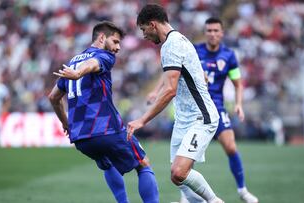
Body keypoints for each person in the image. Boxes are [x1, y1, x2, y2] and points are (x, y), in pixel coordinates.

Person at [49, 21, 159, 203]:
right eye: (115, 42)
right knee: (143, 163)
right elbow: (93, 64)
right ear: (102, 38)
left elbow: (53, 97)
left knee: (107, 164)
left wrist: (65, 122)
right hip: (106, 129)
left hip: (81, 138)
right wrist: (78, 74)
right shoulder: (104, 56)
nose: (117, 48)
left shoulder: (73, 61)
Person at [127, 4, 223, 203]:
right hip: (184, 119)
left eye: (144, 30)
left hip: (201, 117)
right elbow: (184, 75)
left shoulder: (172, 45)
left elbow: (170, 90)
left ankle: (215, 201)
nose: (144, 36)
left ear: (153, 25)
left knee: (179, 172)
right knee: (178, 178)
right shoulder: (177, 40)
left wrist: (142, 120)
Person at [177, 17, 258, 203]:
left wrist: (238, 104)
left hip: (217, 107)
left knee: (230, 146)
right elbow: (174, 72)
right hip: (195, 107)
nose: (212, 34)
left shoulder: (229, 56)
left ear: (221, 33)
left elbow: (238, 83)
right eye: (209, 30)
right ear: (205, 33)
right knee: (189, 154)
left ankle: (243, 190)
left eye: (216, 31)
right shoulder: (195, 51)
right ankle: (186, 195)